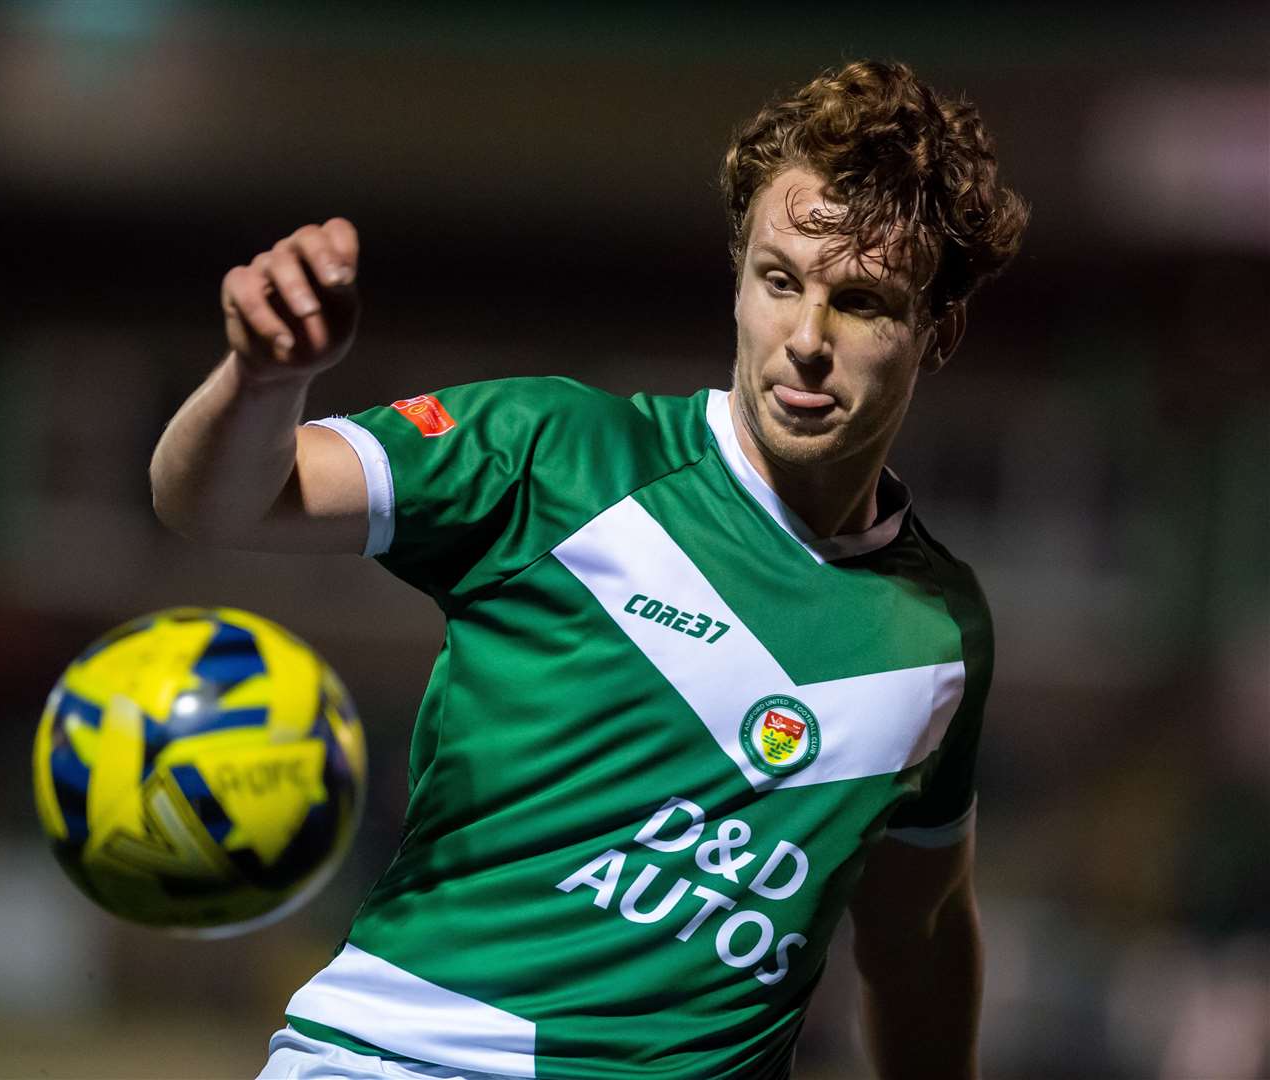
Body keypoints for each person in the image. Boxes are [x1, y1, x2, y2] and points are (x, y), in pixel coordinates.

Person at [150, 59, 1027, 1080]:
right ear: (738, 280)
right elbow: (215, 501)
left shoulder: (938, 632)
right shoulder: (559, 453)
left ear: (938, 331)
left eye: (864, 301)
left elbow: (915, 935)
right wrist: (264, 379)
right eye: (779, 281)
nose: (807, 340)